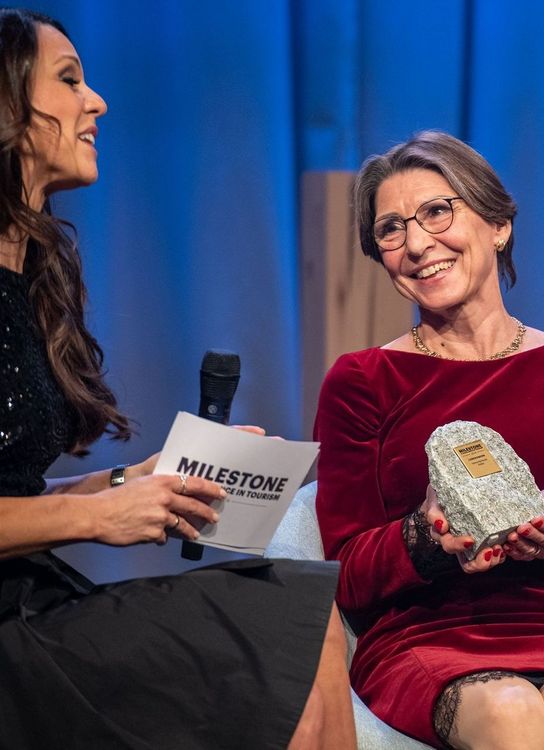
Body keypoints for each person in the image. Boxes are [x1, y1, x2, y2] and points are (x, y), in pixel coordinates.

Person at [0, 9, 354, 748]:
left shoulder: (28, 277)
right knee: (277, 636)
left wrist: (137, 481)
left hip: (34, 598)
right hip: (14, 632)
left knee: (302, 615)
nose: (97, 102)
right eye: (69, 80)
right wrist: (98, 518)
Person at [314, 130, 544, 750]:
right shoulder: (362, 381)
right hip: (424, 633)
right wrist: (425, 536)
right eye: (391, 230)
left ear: (498, 225)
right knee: (509, 711)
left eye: (437, 212)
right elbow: (344, 570)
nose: (417, 244)